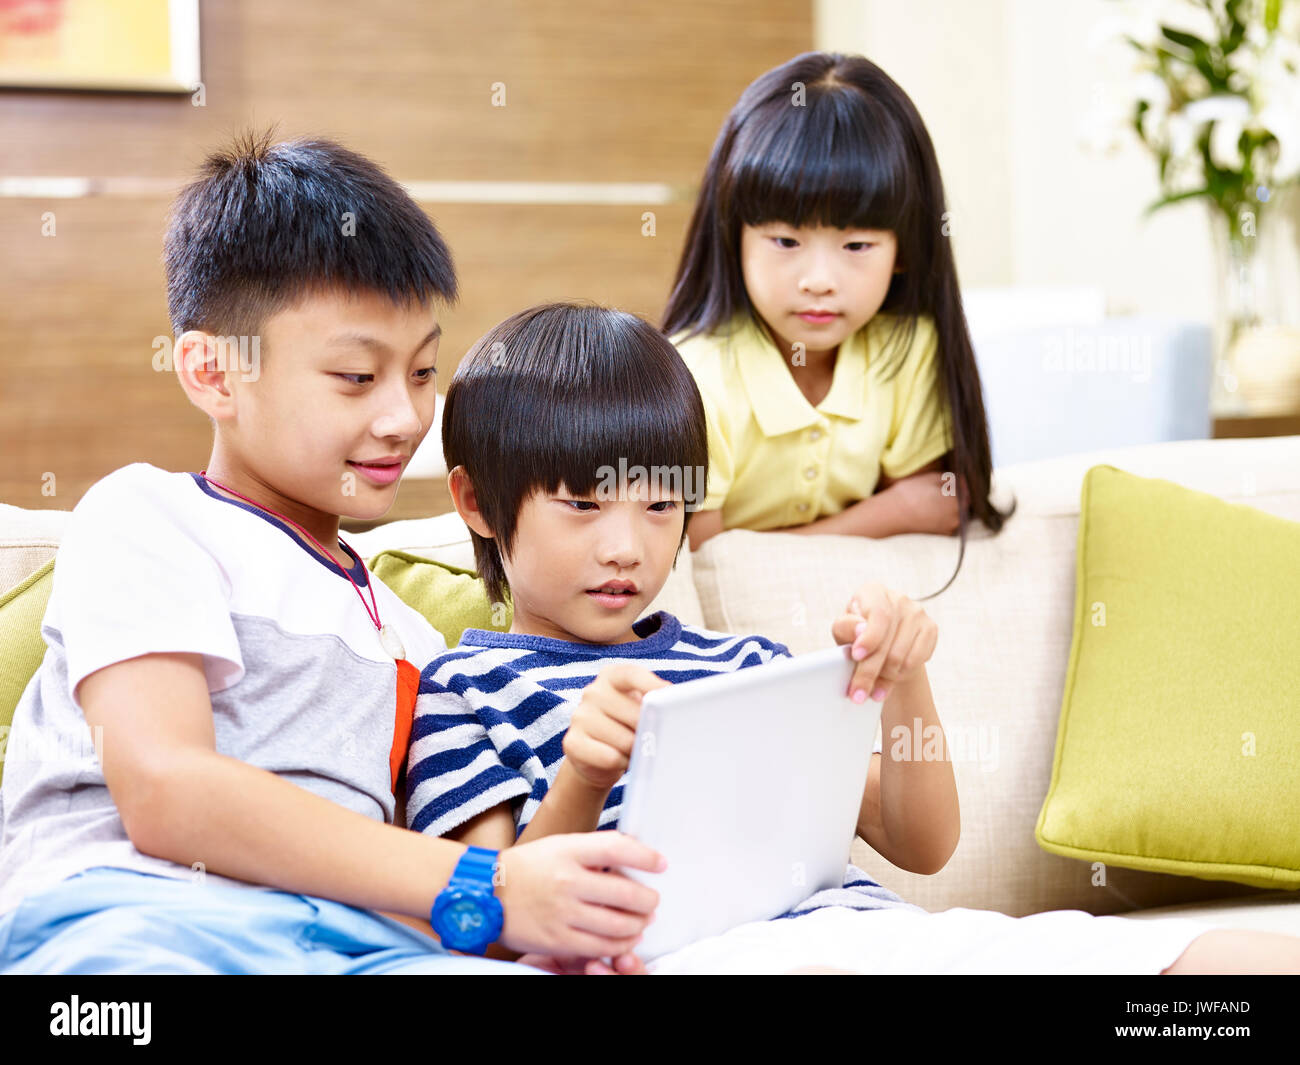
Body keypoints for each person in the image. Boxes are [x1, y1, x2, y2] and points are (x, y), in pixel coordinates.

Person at [405, 300, 1300, 974]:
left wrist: (904, 680)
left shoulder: (743, 666)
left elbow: (921, 844)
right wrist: (583, 776)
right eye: (584, 505)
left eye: (659, 505)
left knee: (1198, 964)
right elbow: (488, 922)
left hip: (873, 939)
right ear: (478, 503)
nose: (627, 547)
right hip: (694, 957)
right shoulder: (463, 689)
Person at [0, 133, 663, 976]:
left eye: (423, 373)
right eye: (356, 377)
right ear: (213, 373)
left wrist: (554, 923)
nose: (403, 417)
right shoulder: (149, 517)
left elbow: (460, 902)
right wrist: (485, 881)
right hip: (137, 919)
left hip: (358, 947)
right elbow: (169, 791)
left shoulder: (416, 644)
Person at [662, 51, 1014, 594]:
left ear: (903, 249)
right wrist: (882, 515)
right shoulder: (697, 375)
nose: (819, 280)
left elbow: (940, 503)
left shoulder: (908, 346)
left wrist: (771, 541)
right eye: (785, 241)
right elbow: (701, 562)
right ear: (734, 237)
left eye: (856, 244)